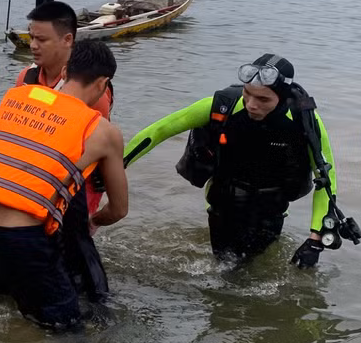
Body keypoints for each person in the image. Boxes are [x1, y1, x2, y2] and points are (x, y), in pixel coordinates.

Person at [0, 40, 129, 328]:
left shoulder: (17, 97)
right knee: (64, 329)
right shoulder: (102, 131)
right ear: (103, 83)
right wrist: (91, 221)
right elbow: (119, 209)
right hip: (25, 239)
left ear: (63, 72)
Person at [123, 54, 344, 269]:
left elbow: (326, 177)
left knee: (253, 265)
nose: (251, 104)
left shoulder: (304, 121)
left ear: (283, 98)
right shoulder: (224, 105)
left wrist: (315, 239)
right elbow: (159, 130)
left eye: (263, 99)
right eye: (248, 94)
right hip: (223, 201)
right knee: (226, 267)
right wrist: (115, 166)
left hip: (271, 208)